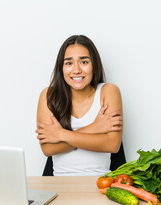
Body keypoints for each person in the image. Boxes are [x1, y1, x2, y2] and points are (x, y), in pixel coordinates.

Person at [36, 35, 123, 176]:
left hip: (100, 182)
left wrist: (61, 134)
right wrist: (94, 128)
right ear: (61, 68)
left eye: (84, 62)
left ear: (94, 65)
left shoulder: (109, 91)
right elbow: (48, 149)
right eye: (69, 63)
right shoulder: (49, 95)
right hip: (59, 183)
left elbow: (112, 145)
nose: (76, 70)